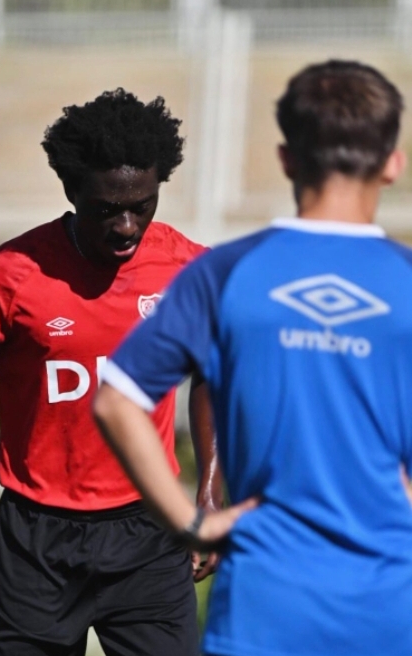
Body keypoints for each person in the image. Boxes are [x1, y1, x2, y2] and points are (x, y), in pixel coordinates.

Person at [93, 60, 412, 656]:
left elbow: (116, 401)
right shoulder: (406, 282)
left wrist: (193, 523)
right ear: (392, 163)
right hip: (392, 606)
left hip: (264, 607)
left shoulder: (225, 273)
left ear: (287, 159)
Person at [0, 88, 223, 656]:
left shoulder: (188, 271)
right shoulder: (6, 278)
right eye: (106, 209)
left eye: (143, 205)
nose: (126, 225)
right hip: (37, 543)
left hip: (150, 532)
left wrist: (209, 493)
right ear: (72, 192)